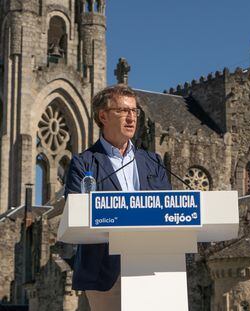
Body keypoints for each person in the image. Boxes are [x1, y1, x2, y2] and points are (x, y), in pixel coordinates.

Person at [65, 84, 172, 311]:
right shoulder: (83, 163)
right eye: (123, 111)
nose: (131, 117)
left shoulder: (153, 161)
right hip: (105, 272)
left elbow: (168, 211)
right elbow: (77, 215)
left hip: (152, 267)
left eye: (135, 111)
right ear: (103, 116)